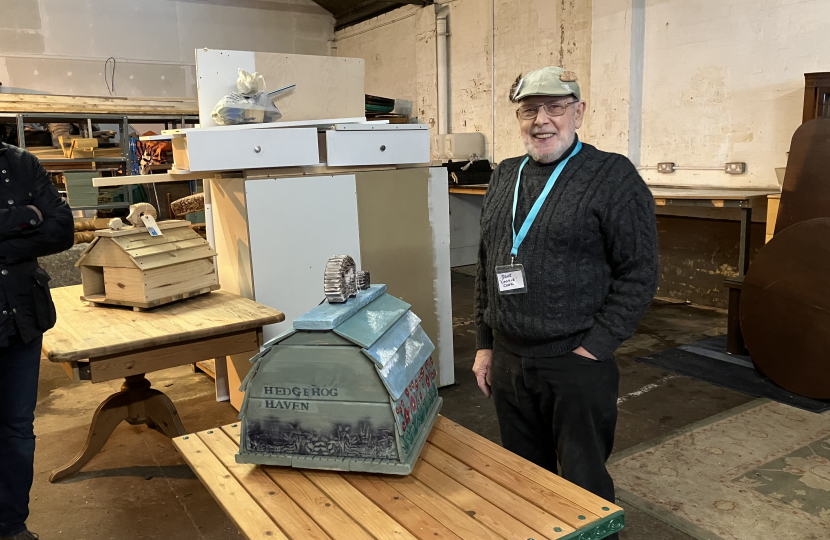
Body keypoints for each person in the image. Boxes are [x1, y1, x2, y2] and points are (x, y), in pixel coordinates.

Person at [472, 66, 659, 535]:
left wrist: (595, 347)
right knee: (525, 479)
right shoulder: (505, 174)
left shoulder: (611, 175)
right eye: (529, 109)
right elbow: (487, 264)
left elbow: (639, 272)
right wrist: (485, 344)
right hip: (511, 361)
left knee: (584, 486)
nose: (542, 120)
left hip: (575, 362)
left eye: (555, 107)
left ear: (578, 111)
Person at [0, 141, 74, 540]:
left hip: (21, 316)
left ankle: (12, 523)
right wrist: (25, 217)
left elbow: (62, 228)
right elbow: (41, 223)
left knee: (16, 427)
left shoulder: (22, 162)